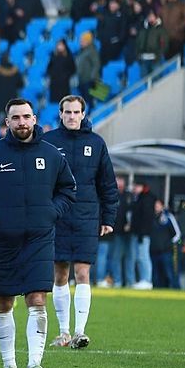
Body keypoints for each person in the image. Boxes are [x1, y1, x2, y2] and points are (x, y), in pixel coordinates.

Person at [0, 98, 76, 368]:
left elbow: (68, 189)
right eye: (16, 118)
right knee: (3, 302)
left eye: (26, 116)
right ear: (7, 121)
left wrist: (52, 212)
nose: (22, 122)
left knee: (37, 299)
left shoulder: (51, 155)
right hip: (3, 240)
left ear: (35, 119)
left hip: (39, 240)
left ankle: (35, 364)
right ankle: (9, 367)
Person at [43, 95, 118, 350]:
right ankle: (63, 333)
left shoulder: (96, 143)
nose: (72, 116)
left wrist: (108, 217)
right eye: (68, 112)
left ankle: (79, 332)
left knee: (83, 271)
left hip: (87, 216)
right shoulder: (49, 141)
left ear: (83, 114)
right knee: (60, 273)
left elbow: (107, 183)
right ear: (61, 114)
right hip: (57, 215)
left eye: (77, 112)